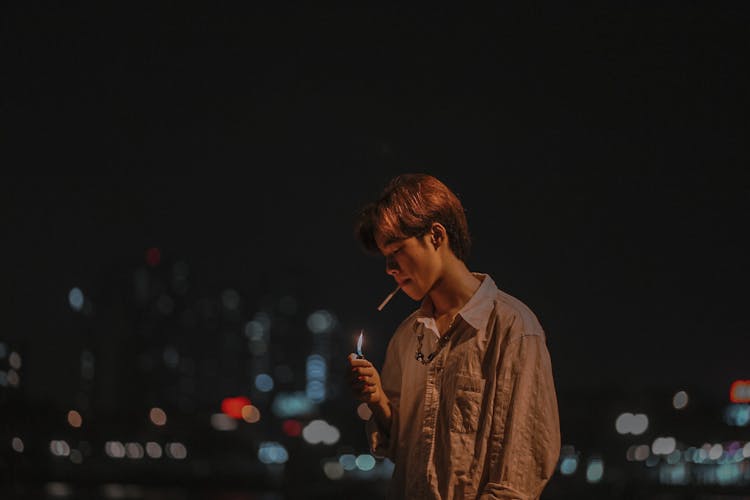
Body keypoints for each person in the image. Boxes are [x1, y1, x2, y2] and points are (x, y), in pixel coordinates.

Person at [346, 173, 561, 499]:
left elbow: (519, 476)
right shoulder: (408, 336)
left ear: (435, 235)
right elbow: (401, 451)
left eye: (397, 250)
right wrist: (377, 400)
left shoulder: (512, 329)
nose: (390, 267)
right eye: (385, 257)